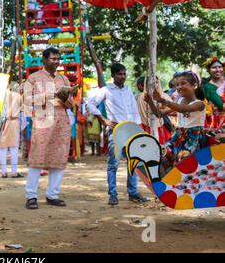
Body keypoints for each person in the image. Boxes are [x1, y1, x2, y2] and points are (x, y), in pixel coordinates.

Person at [87, 63, 149, 206]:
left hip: (131, 130)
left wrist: (138, 128)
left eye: (124, 73)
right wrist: (103, 119)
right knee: (113, 164)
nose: (122, 76)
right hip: (116, 130)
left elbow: (134, 110)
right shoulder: (106, 90)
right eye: (119, 74)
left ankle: (133, 193)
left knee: (133, 162)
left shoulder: (128, 90)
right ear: (113, 76)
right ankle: (113, 194)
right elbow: (90, 104)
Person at [23, 47, 76, 209]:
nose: (56, 61)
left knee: (59, 158)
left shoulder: (64, 79)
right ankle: (31, 196)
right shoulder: (33, 78)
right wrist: (50, 95)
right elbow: (27, 99)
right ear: (44, 60)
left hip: (61, 122)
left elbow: (71, 104)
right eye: (53, 59)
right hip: (42, 121)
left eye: (57, 59)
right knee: (37, 158)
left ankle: (52, 195)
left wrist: (66, 97)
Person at [151, 71, 206, 171]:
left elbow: (182, 109)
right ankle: (170, 179)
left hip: (193, 138)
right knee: (162, 152)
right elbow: (159, 114)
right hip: (179, 135)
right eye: (177, 85)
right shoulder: (179, 101)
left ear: (195, 85)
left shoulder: (200, 104)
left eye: (183, 83)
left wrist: (163, 100)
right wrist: (150, 102)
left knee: (184, 160)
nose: (179, 87)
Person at [138, 76, 172, 143]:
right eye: (151, 83)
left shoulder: (163, 96)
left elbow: (171, 109)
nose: (154, 85)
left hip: (160, 128)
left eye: (156, 82)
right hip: (145, 128)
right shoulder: (141, 97)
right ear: (146, 84)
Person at [0, 87, 23, 178]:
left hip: (4, 122)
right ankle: (14, 172)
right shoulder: (18, 96)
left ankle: (4, 172)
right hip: (15, 122)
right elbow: (23, 109)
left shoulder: (1, 96)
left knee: (2, 148)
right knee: (14, 148)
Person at [202, 56, 224, 128]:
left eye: (220, 67)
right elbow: (221, 106)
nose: (218, 70)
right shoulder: (208, 87)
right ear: (208, 70)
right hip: (219, 122)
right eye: (214, 67)